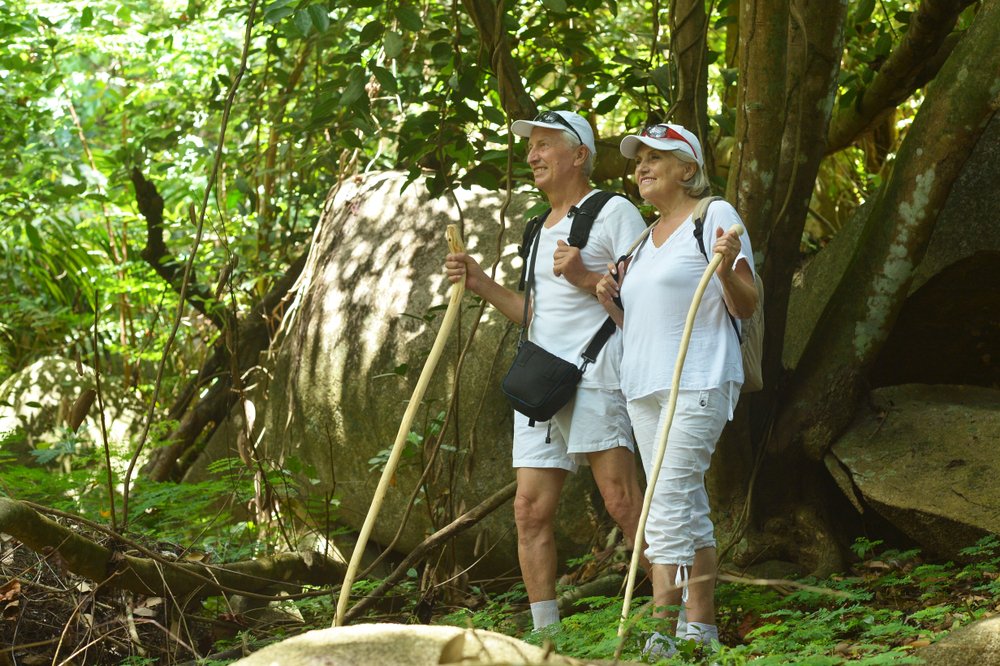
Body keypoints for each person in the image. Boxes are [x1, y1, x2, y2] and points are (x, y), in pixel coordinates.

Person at [445, 110, 648, 631]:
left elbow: (647, 297)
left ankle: (677, 615)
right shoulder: (538, 227)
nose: (532, 155)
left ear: (579, 155)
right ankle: (546, 636)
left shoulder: (613, 211)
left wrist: (583, 276)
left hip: (597, 372)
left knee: (622, 502)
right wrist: (480, 282)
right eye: (530, 147)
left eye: (543, 145)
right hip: (543, 380)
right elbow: (537, 314)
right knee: (529, 510)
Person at [595, 122, 758, 657]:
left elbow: (746, 302)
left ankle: (660, 633)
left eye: (655, 157)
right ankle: (701, 632)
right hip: (643, 386)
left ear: (687, 169)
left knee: (662, 508)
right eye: (637, 158)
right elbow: (643, 323)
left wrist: (726, 264)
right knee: (686, 506)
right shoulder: (643, 241)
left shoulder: (714, 216)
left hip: (699, 377)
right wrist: (611, 301)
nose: (641, 166)